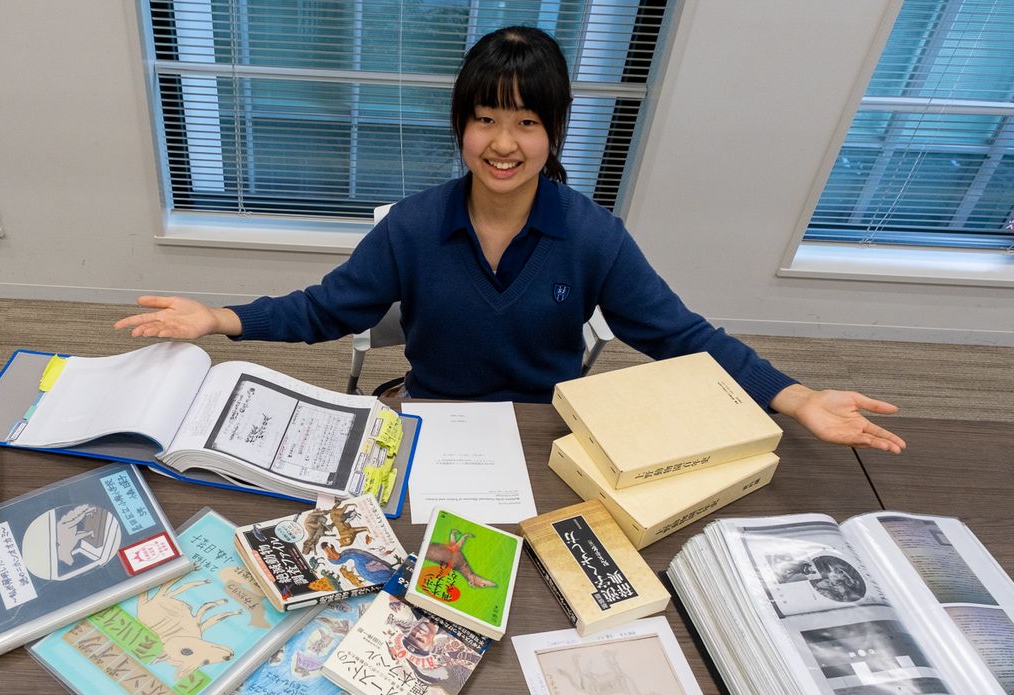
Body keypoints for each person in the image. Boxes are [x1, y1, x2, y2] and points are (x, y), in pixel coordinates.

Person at [115, 26, 905, 455]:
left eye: (526, 121)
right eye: (485, 118)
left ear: (553, 131)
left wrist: (798, 397)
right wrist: (219, 318)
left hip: (541, 430)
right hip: (429, 420)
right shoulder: (413, 226)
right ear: (461, 125)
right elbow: (327, 309)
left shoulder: (593, 236)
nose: (503, 142)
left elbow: (680, 334)